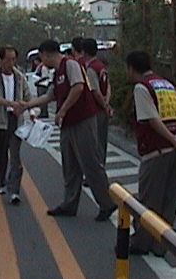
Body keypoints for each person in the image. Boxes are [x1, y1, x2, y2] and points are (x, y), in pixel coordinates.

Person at [21, 40, 117, 221]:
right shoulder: (57, 73)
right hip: (68, 123)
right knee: (70, 165)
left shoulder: (71, 65)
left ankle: (106, 202)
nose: (42, 62)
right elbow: (50, 95)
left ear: (48, 54)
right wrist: (27, 105)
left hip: (82, 120)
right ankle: (70, 203)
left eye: (42, 58)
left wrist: (62, 110)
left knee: (90, 162)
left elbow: (78, 87)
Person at [126, 51, 176, 256]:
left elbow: (152, 119)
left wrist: (171, 139)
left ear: (131, 68)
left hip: (156, 151)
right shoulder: (167, 84)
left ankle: (142, 242)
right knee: (169, 200)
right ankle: (162, 245)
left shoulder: (142, 88)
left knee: (148, 199)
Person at [0, 46, 31, 206]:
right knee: (0, 156)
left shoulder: (20, 77)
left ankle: (14, 191)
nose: (11, 63)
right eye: (8, 59)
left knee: (16, 158)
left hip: (15, 120)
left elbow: (28, 96)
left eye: (13, 59)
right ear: (1, 59)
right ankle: (0, 181)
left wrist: (28, 108)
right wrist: (10, 103)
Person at [82, 38, 112, 164]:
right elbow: (108, 87)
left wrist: (104, 106)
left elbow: (95, 91)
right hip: (103, 107)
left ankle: (96, 172)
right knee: (102, 141)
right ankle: (101, 166)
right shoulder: (101, 66)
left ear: (84, 52)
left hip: (96, 109)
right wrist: (107, 103)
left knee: (94, 143)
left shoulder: (91, 69)